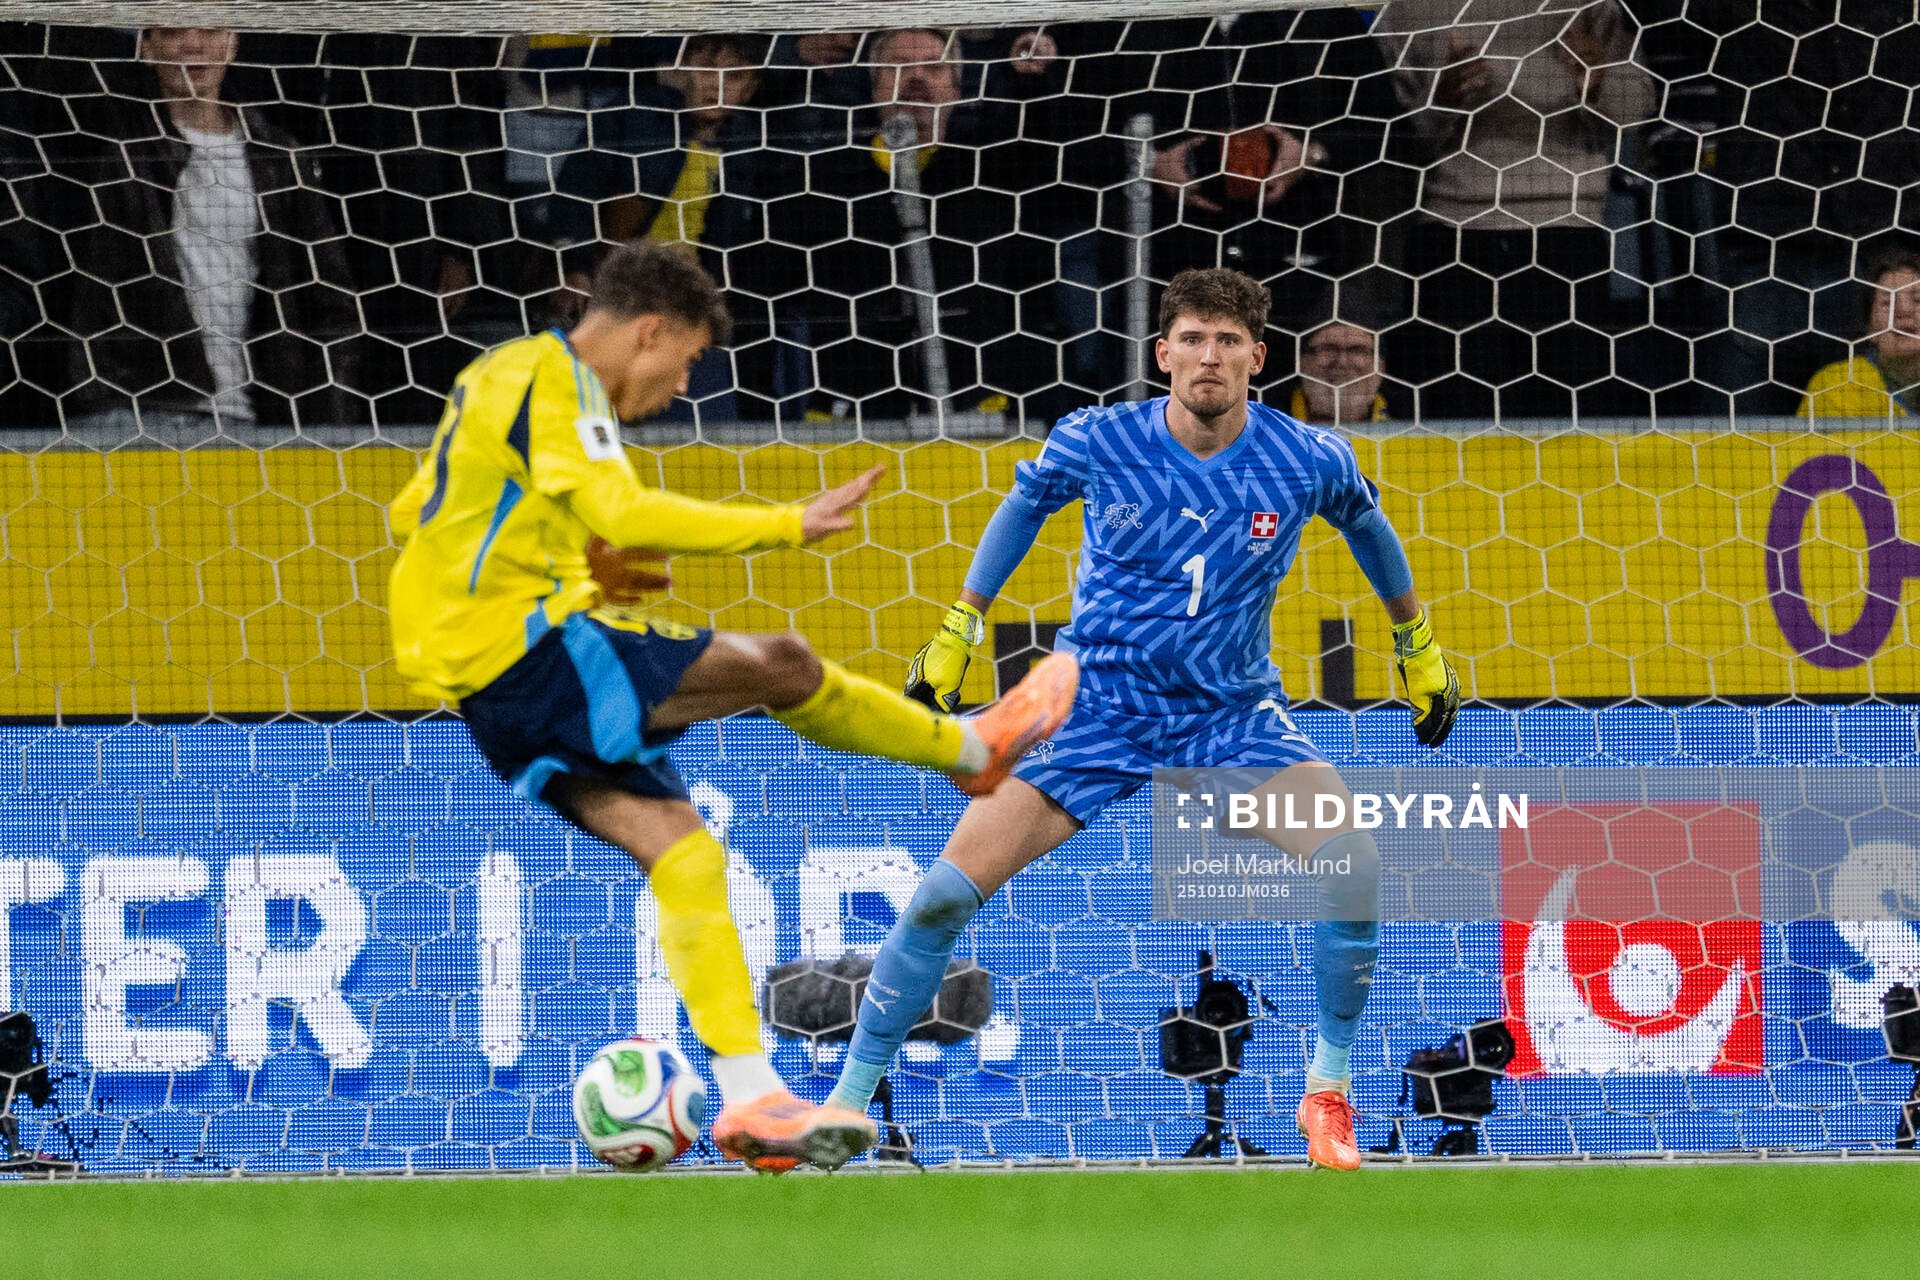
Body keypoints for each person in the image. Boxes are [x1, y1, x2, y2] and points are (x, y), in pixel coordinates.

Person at [385, 241, 1078, 1171]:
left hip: (488, 686)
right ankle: (969, 747)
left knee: (684, 854)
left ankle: (751, 1100)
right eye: (691, 359)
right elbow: (622, 509)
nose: (681, 384)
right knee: (782, 663)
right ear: (651, 331)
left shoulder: (496, 379)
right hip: (528, 650)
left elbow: (413, 513)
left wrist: (554, 550)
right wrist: (785, 525)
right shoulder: (556, 383)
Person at [816, 268, 1460, 1173]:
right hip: (1096, 713)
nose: (1210, 356)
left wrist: (1417, 644)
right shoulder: (1096, 439)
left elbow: (1367, 523)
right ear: (1163, 354)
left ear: (1258, 360)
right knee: (940, 901)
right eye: (1193, 337)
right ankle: (846, 1106)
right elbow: (1025, 505)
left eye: (1229, 342)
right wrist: (959, 626)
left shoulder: (1306, 457)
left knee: (1351, 871)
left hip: (1230, 718)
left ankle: (1329, 1091)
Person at [56, 26, 361, 432]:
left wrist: (330, 421)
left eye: (211, 29)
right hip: (140, 410)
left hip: (255, 412)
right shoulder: (120, 154)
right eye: (173, 31)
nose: (194, 44)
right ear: (146, 48)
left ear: (234, 43)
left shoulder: (278, 157)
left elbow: (329, 297)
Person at [1798, 243, 1920, 417]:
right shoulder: (1836, 385)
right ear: (1870, 330)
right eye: (1888, 302)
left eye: (1917, 300)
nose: (1904, 311)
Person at [1285, 319, 1390, 424]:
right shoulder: (1272, 425)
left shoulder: (1404, 420)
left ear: (1380, 367)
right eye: (1327, 349)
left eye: (1358, 350)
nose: (1342, 362)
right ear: (1301, 363)